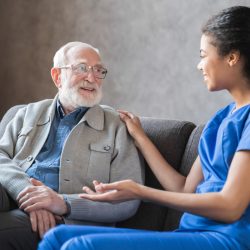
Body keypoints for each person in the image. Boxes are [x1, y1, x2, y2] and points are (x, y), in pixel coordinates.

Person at [39, 6, 250, 250]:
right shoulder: (221, 119)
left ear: (232, 58)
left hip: (228, 238)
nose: (199, 65)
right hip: (193, 231)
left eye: (203, 55)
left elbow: (231, 206)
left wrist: (140, 191)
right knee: (58, 237)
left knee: (81, 246)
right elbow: (184, 188)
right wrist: (140, 137)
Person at [0, 42, 144, 250]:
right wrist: (25, 191)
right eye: (82, 68)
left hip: (63, 222)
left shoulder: (117, 126)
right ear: (57, 76)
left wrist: (62, 202)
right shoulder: (26, 113)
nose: (92, 78)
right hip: (12, 196)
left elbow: (128, 201)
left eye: (98, 70)